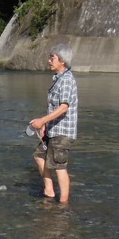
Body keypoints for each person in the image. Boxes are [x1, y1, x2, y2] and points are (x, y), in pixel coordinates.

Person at [29, 44, 78, 203]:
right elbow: (54, 107)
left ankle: (63, 204)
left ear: (62, 61)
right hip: (53, 129)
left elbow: (64, 107)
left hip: (62, 132)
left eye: (52, 58)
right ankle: (49, 191)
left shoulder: (66, 80)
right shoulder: (58, 79)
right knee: (39, 156)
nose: (49, 60)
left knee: (59, 167)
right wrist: (45, 126)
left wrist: (42, 120)